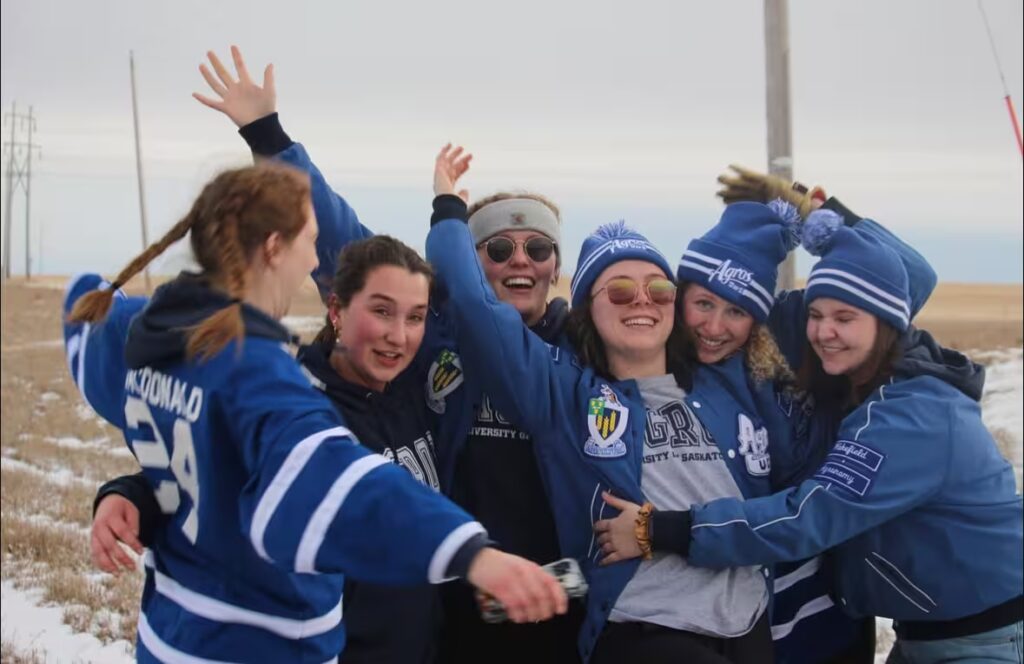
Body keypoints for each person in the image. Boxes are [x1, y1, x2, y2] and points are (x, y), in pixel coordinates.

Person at [63, 163, 567, 662]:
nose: (312, 261)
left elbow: (202, 448)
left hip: (171, 632)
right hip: (256, 643)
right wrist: (472, 554)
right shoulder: (274, 384)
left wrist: (128, 493)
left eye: (413, 317)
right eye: (307, 241)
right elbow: (340, 486)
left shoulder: (146, 339)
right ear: (274, 248)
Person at [190, 45, 583, 662]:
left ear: (557, 265)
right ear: (467, 264)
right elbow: (347, 246)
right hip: (453, 608)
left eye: (537, 248)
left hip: (559, 603)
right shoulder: (435, 336)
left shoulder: (584, 351)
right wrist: (267, 134)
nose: (519, 263)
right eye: (498, 249)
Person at [594, 204, 1024, 663]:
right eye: (816, 315)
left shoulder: (911, 416)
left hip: (980, 639)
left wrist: (660, 528)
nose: (824, 332)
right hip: (915, 631)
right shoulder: (842, 361)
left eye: (845, 317)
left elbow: (809, 517)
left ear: (887, 322)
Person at [429, 146, 779, 663]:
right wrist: (447, 212)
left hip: (749, 627)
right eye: (617, 291)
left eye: (659, 288)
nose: (641, 299)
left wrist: (807, 222)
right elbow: (474, 305)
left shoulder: (726, 387)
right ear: (587, 312)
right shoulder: (568, 393)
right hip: (645, 632)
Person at [92, 235, 459, 663]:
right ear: (337, 310)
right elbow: (203, 471)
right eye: (381, 311)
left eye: (415, 317)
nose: (399, 336)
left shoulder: (409, 395)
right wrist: (128, 494)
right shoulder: (290, 400)